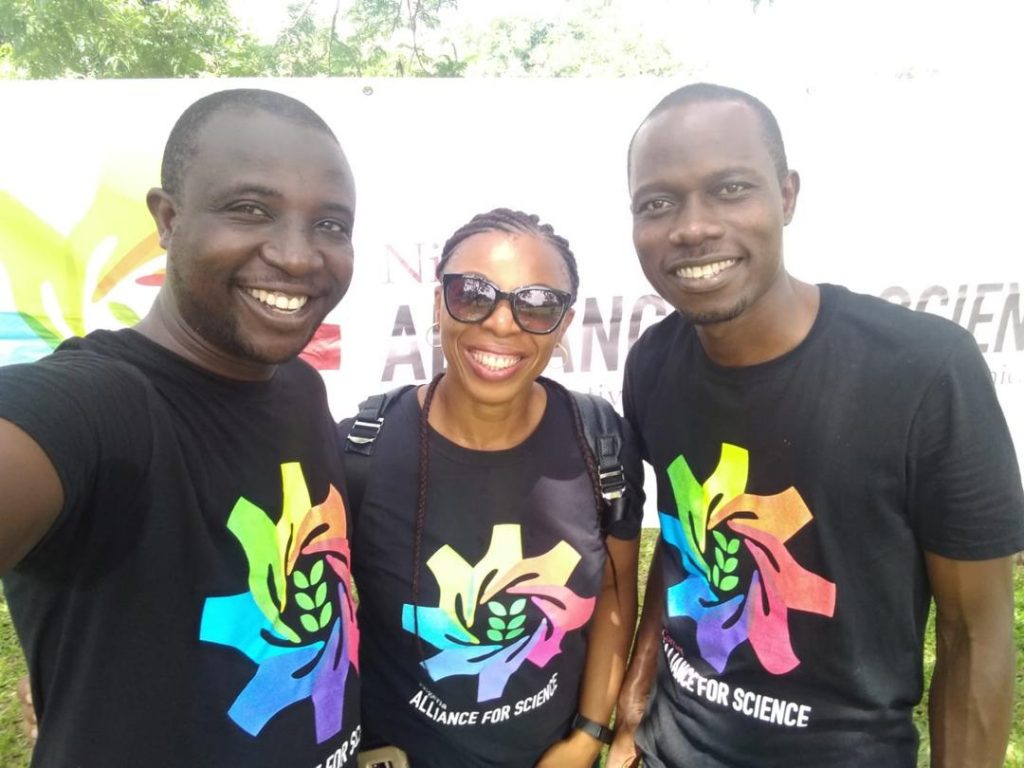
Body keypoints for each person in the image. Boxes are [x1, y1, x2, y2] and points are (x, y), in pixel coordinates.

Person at [607, 83, 1024, 768]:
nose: (692, 227)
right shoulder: (654, 362)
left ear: (788, 195)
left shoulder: (923, 371)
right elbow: (684, 543)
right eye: (658, 203)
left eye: (730, 188)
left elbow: (975, 634)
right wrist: (631, 716)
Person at [0, 89, 363, 767]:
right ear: (167, 219)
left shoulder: (300, 389)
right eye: (251, 209)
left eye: (330, 225)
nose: (296, 256)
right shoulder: (101, 406)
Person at [347, 208, 644, 767]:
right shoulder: (362, 451)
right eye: (472, 293)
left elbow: (613, 592)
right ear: (438, 302)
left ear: (564, 324)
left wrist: (587, 737)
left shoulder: (600, 441)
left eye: (536, 304)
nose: (502, 324)